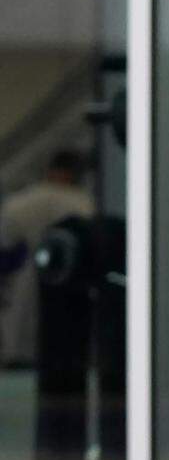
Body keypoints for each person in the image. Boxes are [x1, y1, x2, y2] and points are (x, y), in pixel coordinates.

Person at [0, 150, 94, 367]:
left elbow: (5, 246)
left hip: (23, 294)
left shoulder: (20, 203)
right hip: (71, 293)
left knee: (22, 346)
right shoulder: (84, 204)